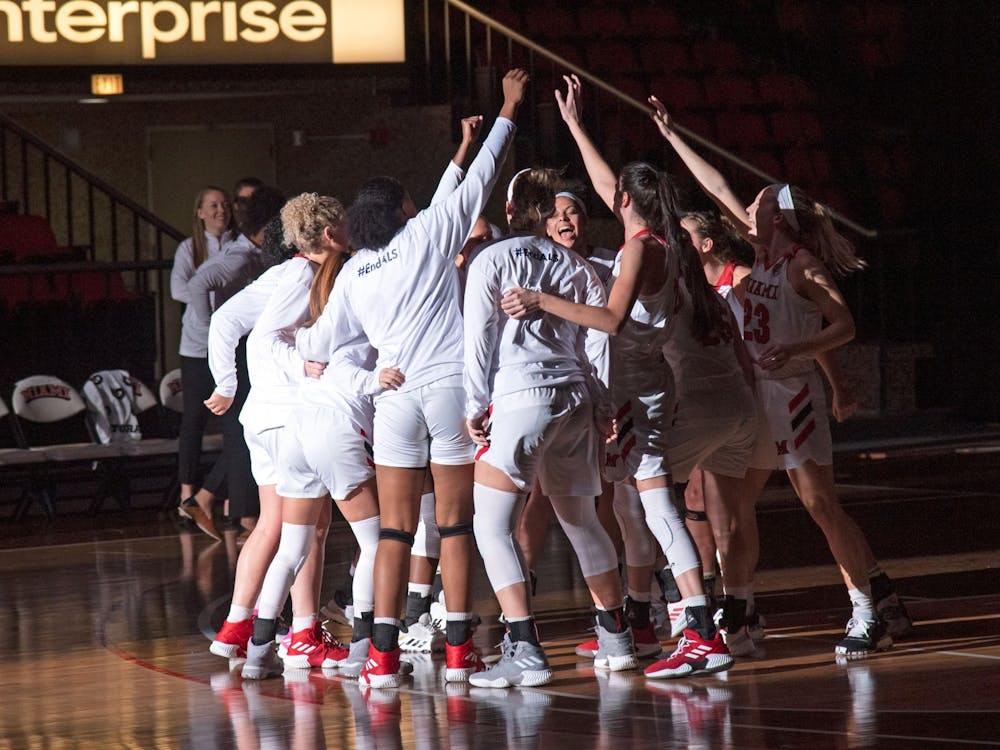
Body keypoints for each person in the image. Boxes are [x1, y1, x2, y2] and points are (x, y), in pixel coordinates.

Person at [649, 94, 912, 657]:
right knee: (733, 510)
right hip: (756, 398)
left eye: (762, 201)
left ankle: (867, 610)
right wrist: (673, 136)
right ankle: (741, 613)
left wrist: (807, 354)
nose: (751, 203)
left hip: (792, 394)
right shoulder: (763, 253)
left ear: (780, 218)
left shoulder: (800, 264)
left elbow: (843, 324)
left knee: (820, 506)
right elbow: (718, 188)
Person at [502, 75, 733, 679]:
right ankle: (647, 621)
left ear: (626, 204)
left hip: (638, 387)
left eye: (611, 199)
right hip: (646, 380)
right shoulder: (662, 240)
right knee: (637, 511)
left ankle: (700, 626)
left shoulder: (637, 252)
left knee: (657, 508)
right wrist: (577, 126)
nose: (601, 203)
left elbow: (606, 319)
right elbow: (610, 185)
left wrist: (541, 300)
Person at [309, 68, 528, 689]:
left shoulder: (354, 272)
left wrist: (367, 370)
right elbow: (480, 176)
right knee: (456, 526)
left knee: (393, 534)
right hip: (449, 391)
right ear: (405, 206)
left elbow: (317, 347)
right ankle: (458, 653)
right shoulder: (430, 233)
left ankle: (380, 657)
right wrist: (509, 107)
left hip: (396, 399)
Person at [464, 168, 637, 688]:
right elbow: (597, 342)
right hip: (574, 399)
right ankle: (616, 637)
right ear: (545, 213)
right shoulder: (577, 263)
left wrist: (473, 405)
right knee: (582, 519)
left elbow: (479, 339)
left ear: (512, 211)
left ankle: (525, 648)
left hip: (520, 400)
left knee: (491, 527)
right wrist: (603, 404)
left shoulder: (491, 259)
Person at [170, 185, 252, 540]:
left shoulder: (239, 245)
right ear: (200, 212)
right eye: (213, 205)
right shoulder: (190, 248)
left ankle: (231, 501)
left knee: (238, 424)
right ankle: (188, 495)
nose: (221, 210)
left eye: (224, 204)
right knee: (195, 420)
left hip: (228, 345)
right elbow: (180, 289)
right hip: (196, 347)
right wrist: (211, 315)